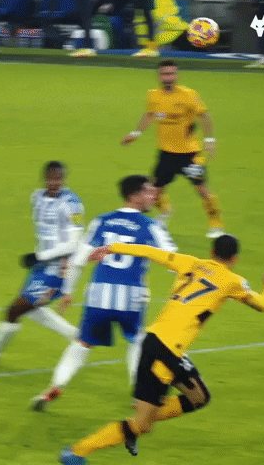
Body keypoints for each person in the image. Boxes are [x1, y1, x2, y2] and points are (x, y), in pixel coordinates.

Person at [59, 234, 264, 464]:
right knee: (141, 425)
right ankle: (77, 452)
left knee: (199, 396)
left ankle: (143, 416)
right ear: (234, 259)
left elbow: (149, 251)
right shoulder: (233, 281)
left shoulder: (190, 262)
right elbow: (263, 304)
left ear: (212, 252)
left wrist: (111, 247)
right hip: (165, 352)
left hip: (158, 342)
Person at [31, 175, 177, 411]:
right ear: (134, 195)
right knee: (137, 342)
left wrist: (68, 291)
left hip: (98, 295)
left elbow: (77, 261)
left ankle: (55, 386)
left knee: (82, 343)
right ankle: (139, 396)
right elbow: (173, 260)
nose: (154, 196)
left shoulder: (102, 221)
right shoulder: (151, 226)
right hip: (131, 297)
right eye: (149, 192)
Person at [0, 161, 83, 365]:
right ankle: (76, 335)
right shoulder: (37, 197)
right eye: (51, 178)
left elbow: (73, 243)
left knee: (15, 309)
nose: (54, 183)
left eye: (59, 179)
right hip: (40, 267)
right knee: (29, 308)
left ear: (64, 179)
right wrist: (40, 258)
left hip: (57, 269)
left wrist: (42, 256)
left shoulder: (72, 204)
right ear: (44, 178)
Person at [121, 60, 224, 239]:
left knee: (202, 190)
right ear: (159, 76)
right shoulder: (153, 95)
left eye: (171, 74)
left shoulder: (188, 95)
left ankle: (216, 223)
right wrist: (135, 133)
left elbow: (204, 115)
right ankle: (166, 211)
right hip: (166, 154)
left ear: (176, 75)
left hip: (189, 155)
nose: (168, 77)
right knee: (153, 192)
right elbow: (149, 114)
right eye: (164, 74)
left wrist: (209, 139)